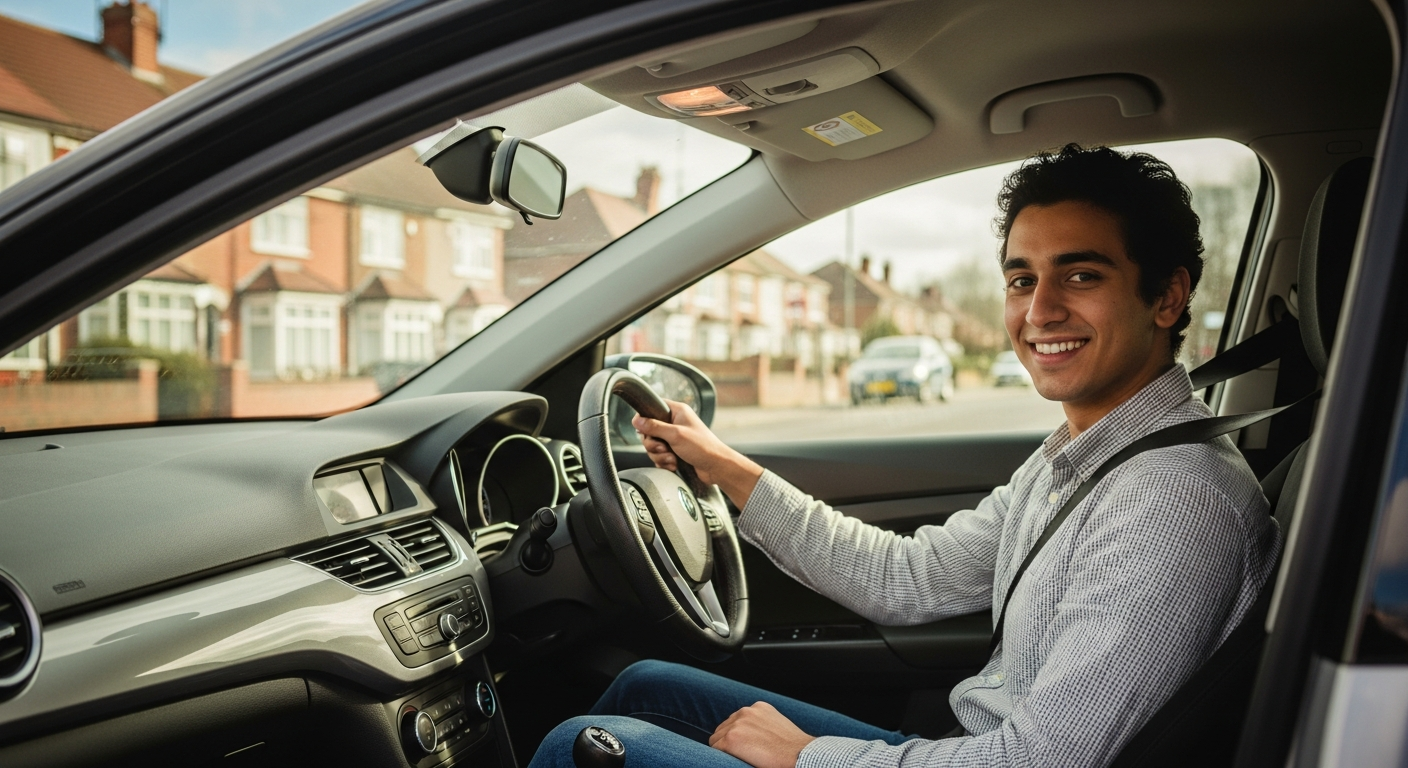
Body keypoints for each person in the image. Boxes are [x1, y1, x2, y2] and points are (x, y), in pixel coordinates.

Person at [528, 144, 1281, 768]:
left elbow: (1044, 763)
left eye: (1081, 276)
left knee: (579, 746)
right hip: (969, 749)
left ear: (1167, 297)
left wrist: (806, 758)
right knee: (647, 687)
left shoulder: (1174, 499)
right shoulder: (1080, 459)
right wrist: (724, 467)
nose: (1039, 310)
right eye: (1022, 279)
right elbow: (906, 580)